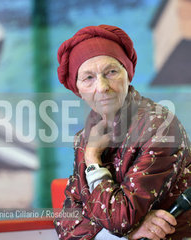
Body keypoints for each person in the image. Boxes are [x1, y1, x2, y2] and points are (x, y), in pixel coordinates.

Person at [54, 24, 191, 240]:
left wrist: (92, 160)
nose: (102, 87)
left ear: (128, 75)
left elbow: (120, 219)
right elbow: (66, 222)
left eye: (111, 72)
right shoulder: (85, 137)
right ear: (77, 88)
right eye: (88, 78)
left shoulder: (160, 126)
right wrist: (131, 228)